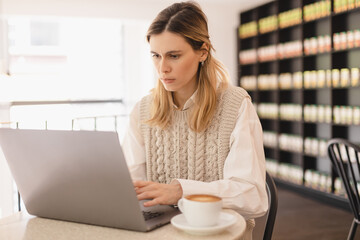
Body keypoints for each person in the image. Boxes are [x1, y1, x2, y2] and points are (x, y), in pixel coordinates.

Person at [122, 1, 268, 239]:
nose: (163, 68)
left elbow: (252, 197)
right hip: (162, 234)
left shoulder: (236, 104)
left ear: (203, 51)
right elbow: (131, 185)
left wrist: (181, 191)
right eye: (156, 56)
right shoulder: (143, 110)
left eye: (174, 56)